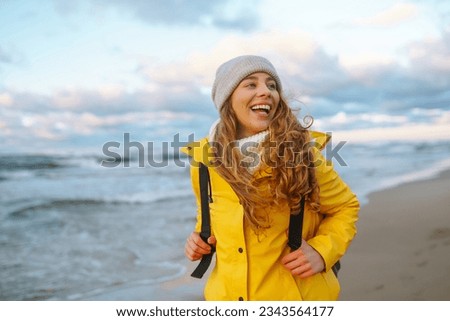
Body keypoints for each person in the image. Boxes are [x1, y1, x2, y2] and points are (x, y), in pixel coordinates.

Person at [181, 55, 359, 301]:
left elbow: (345, 207)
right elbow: (208, 221)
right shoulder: (204, 162)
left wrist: (322, 252)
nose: (266, 92)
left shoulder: (302, 153)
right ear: (227, 98)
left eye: (272, 85)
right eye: (251, 84)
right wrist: (199, 240)